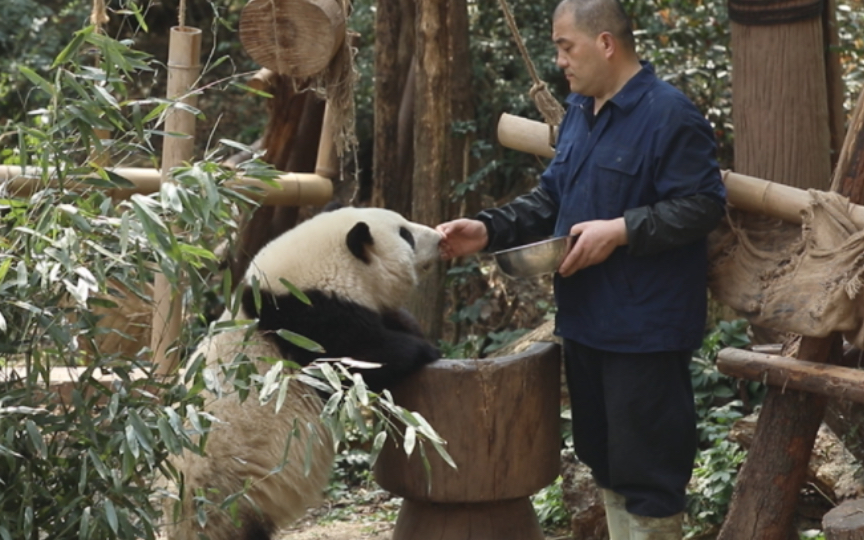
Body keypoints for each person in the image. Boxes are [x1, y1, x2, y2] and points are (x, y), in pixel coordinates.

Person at [436, 1, 726, 539]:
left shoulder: (671, 115)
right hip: (586, 322)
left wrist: (620, 230)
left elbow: (703, 205)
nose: (560, 60)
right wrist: (487, 229)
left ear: (606, 44)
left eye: (566, 46)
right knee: (604, 461)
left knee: (648, 475)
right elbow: (552, 198)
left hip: (645, 333)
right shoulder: (579, 111)